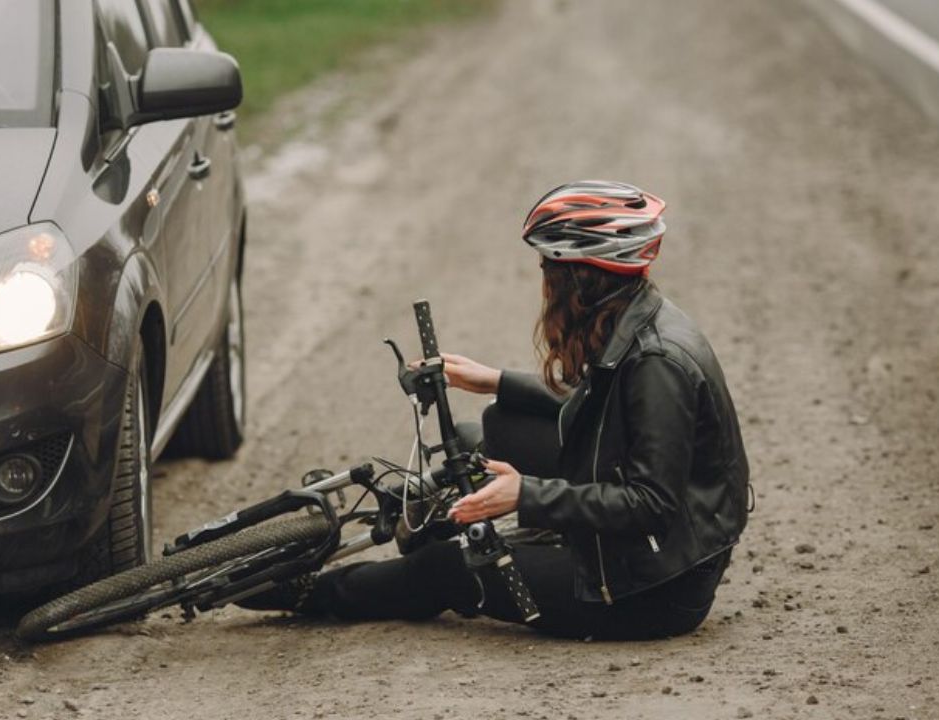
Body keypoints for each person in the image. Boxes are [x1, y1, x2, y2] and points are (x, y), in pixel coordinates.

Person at [240, 180, 750, 640]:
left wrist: (527, 496)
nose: (544, 276)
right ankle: (449, 523)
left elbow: (650, 505)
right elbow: (596, 410)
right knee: (490, 431)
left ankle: (313, 593)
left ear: (585, 277)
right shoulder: (632, 319)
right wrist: (495, 381)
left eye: (551, 265)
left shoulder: (657, 363)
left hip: (650, 588)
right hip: (648, 552)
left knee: (445, 565)